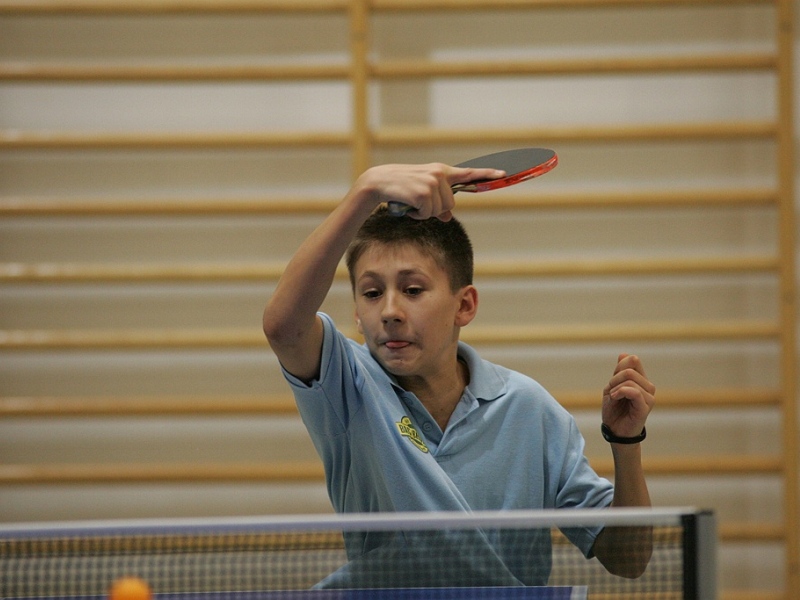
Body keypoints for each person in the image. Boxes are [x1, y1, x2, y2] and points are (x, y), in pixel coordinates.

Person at [262, 162, 656, 587]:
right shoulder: (349, 387)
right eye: (372, 293)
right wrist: (366, 192)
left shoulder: (528, 408)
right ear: (357, 313)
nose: (390, 312)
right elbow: (284, 326)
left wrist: (626, 443)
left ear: (464, 305)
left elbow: (628, 559)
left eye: (413, 290)